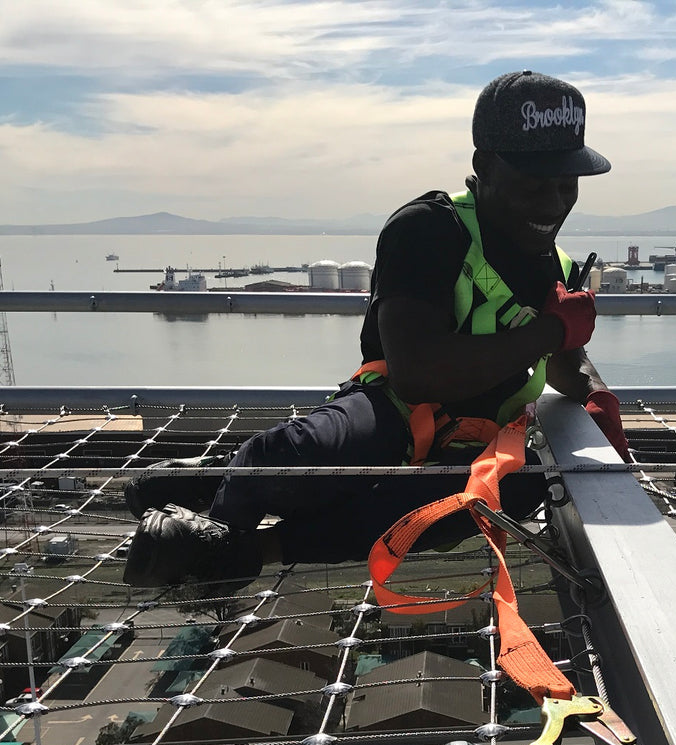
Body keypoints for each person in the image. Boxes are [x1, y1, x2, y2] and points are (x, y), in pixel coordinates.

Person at [122, 70, 628, 589]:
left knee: (500, 498)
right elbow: (417, 374)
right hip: (395, 407)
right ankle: (214, 510)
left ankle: (243, 549)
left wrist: (596, 396)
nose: (553, 204)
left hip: (481, 440)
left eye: (567, 185)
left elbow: (567, 362)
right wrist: (549, 332)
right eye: (533, 184)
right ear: (485, 166)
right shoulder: (429, 229)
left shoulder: (556, 264)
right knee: (303, 457)